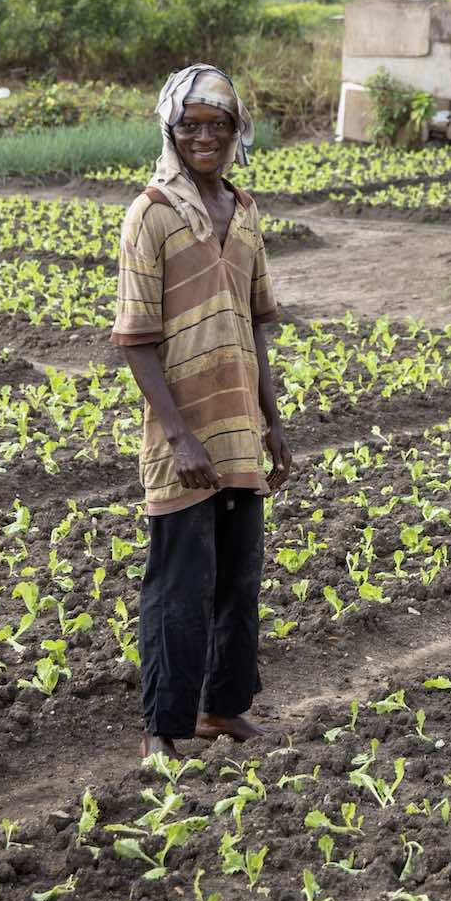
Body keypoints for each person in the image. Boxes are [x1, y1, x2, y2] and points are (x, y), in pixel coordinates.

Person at [112, 63, 292, 763]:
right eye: (192, 125)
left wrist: (272, 422)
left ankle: (223, 709)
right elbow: (136, 338)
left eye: (218, 125)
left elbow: (255, 326)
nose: (205, 137)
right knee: (178, 584)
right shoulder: (150, 213)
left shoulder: (244, 212)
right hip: (181, 437)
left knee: (239, 578)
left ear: (236, 130)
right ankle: (163, 726)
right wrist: (180, 435)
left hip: (239, 429)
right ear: (171, 130)